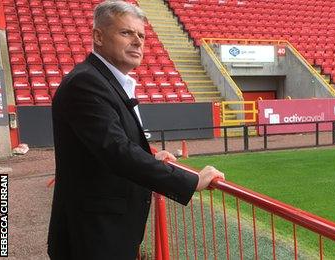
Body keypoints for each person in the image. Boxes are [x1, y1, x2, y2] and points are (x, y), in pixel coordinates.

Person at [47, 1, 225, 259]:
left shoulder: (104, 81)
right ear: (98, 36)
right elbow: (117, 151)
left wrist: (151, 159)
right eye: (126, 33)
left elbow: (110, 147)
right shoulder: (86, 83)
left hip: (106, 233)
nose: (138, 41)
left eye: (141, 35)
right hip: (92, 238)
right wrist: (191, 180)